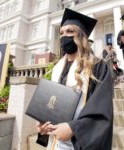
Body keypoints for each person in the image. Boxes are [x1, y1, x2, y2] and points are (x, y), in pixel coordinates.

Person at [36, 8, 113, 150]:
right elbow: (51, 107)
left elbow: (101, 113)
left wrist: (73, 129)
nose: (64, 36)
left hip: (77, 145)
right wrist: (43, 129)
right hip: (54, 144)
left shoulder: (98, 67)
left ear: (81, 36)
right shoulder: (56, 69)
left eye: (70, 31)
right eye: (61, 33)